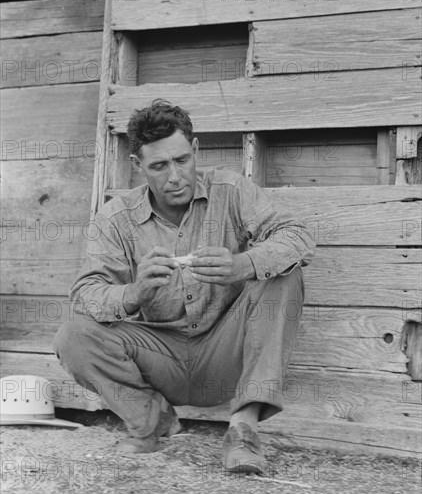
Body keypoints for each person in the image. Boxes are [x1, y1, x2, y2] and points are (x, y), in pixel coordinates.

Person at [53, 99, 315, 474]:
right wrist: (135, 292)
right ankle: (153, 421)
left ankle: (243, 429)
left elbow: (297, 236)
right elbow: (85, 296)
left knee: (283, 272)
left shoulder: (232, 190)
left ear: (195, 150)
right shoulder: (114, 218)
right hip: (159, 359)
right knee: (72, 336)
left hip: (228, 354)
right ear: (137, 166)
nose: (174, 176)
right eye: (158, 166)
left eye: (181, 160)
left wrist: (243, 264)